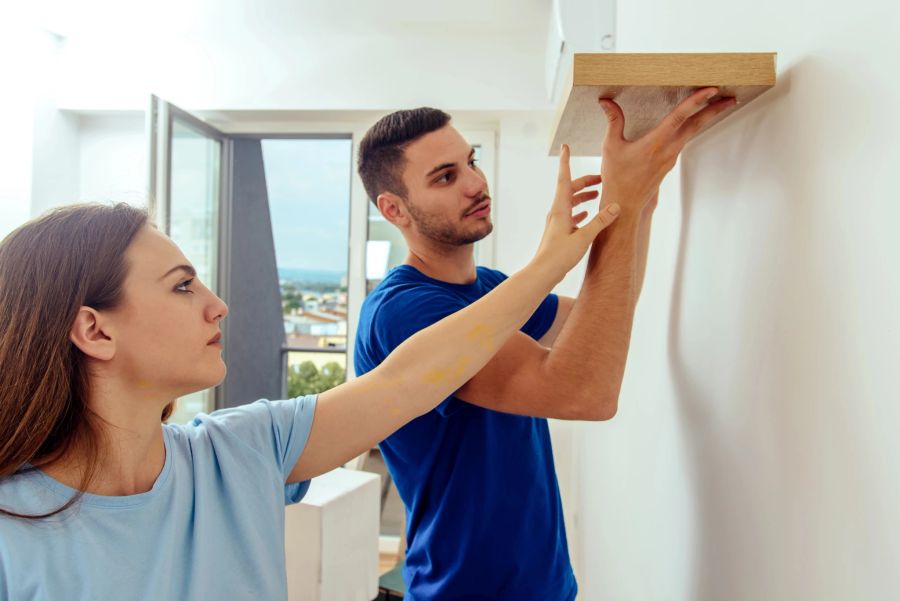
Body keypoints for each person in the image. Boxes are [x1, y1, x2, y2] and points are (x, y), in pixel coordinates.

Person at [0, 167, 620, 599]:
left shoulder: (245, 449)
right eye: (183, 286)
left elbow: (410, 379)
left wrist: (560, 256)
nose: (217, 306)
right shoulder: (12, 531)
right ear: (95, 331)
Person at [354, 89, 735, 599]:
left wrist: (635, 204)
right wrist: (615, 212)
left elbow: (603, 316)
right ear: (394, 209)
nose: (474, 183)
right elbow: (584, 393)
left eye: (471, 161)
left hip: (545, 584)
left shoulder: (488, 288)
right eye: (445, 176)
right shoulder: (405, 311)